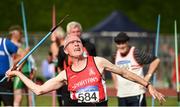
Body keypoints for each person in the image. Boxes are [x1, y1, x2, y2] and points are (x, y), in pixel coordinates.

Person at [6, 35, 165, 106]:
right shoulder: (65, 74)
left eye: (78, 42)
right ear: (66, 51)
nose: (76, 44)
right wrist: (18, 73)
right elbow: (38, 90)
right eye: (72, 43)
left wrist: (147, 84)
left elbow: (123, 72)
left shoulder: (98, 62)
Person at [111, 32, 161, 106]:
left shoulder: (135, 52)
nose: (121, 46)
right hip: (122, 94)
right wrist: (115, 81)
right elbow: (112, 68)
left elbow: (156, 60)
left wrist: (148, 76)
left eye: (123, 43)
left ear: (127, 42)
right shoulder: (115, 55)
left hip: (136, 93)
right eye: (118, 43)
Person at [57, 21, 97, 106]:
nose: (76, 34)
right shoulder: (63, 49)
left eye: (78, 31)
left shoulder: (90, 46)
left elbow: (95, 64)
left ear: (81, 32)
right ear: (68, 33)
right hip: (69, 86)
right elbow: (59, 67)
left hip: (87, 85)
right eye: (73, 32)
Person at [8, 25, 37, 106]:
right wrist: (25, 53)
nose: (21, 35)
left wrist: (33, 68)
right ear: (14, 34)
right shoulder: (10, 45)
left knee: (31, 97)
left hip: (28, 71)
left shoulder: (22, 45)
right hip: (18, 72)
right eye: (20, 33)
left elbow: (31, 59)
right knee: (18, 97)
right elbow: (13, 61)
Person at [0, 36, 18, 106]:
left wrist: (13, 69)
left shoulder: (6, 43)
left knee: (8, 104)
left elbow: (22, 54)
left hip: (5, 79)